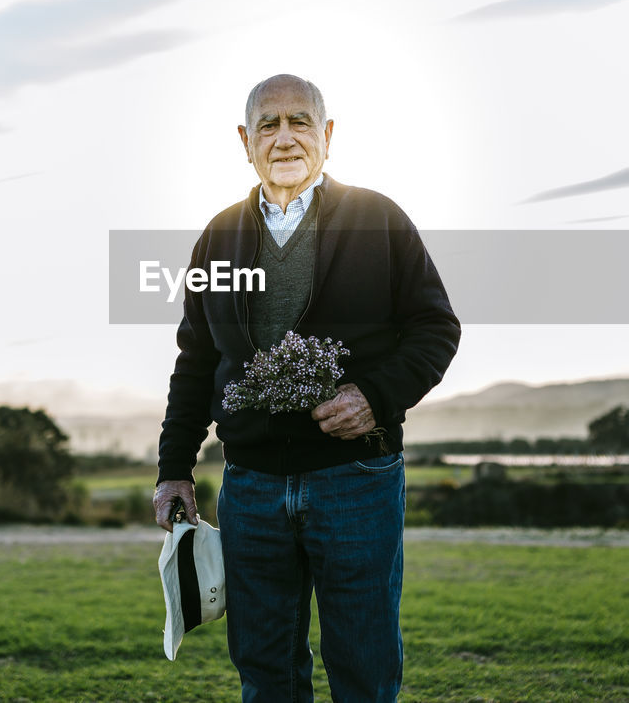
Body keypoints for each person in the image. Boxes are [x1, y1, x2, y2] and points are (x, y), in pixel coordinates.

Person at [153, 73, 461, 702]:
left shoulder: (379, 218)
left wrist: (375, 396)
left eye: (300, 121)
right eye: (269, 124)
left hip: (357, 481)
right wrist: (173, 468)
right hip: (251, 487)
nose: (285, 136)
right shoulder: (218, 235)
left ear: (327, 135)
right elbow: (195, 360)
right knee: (264, 671)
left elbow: (436, 328)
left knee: (364, 668)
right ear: (246, 141)